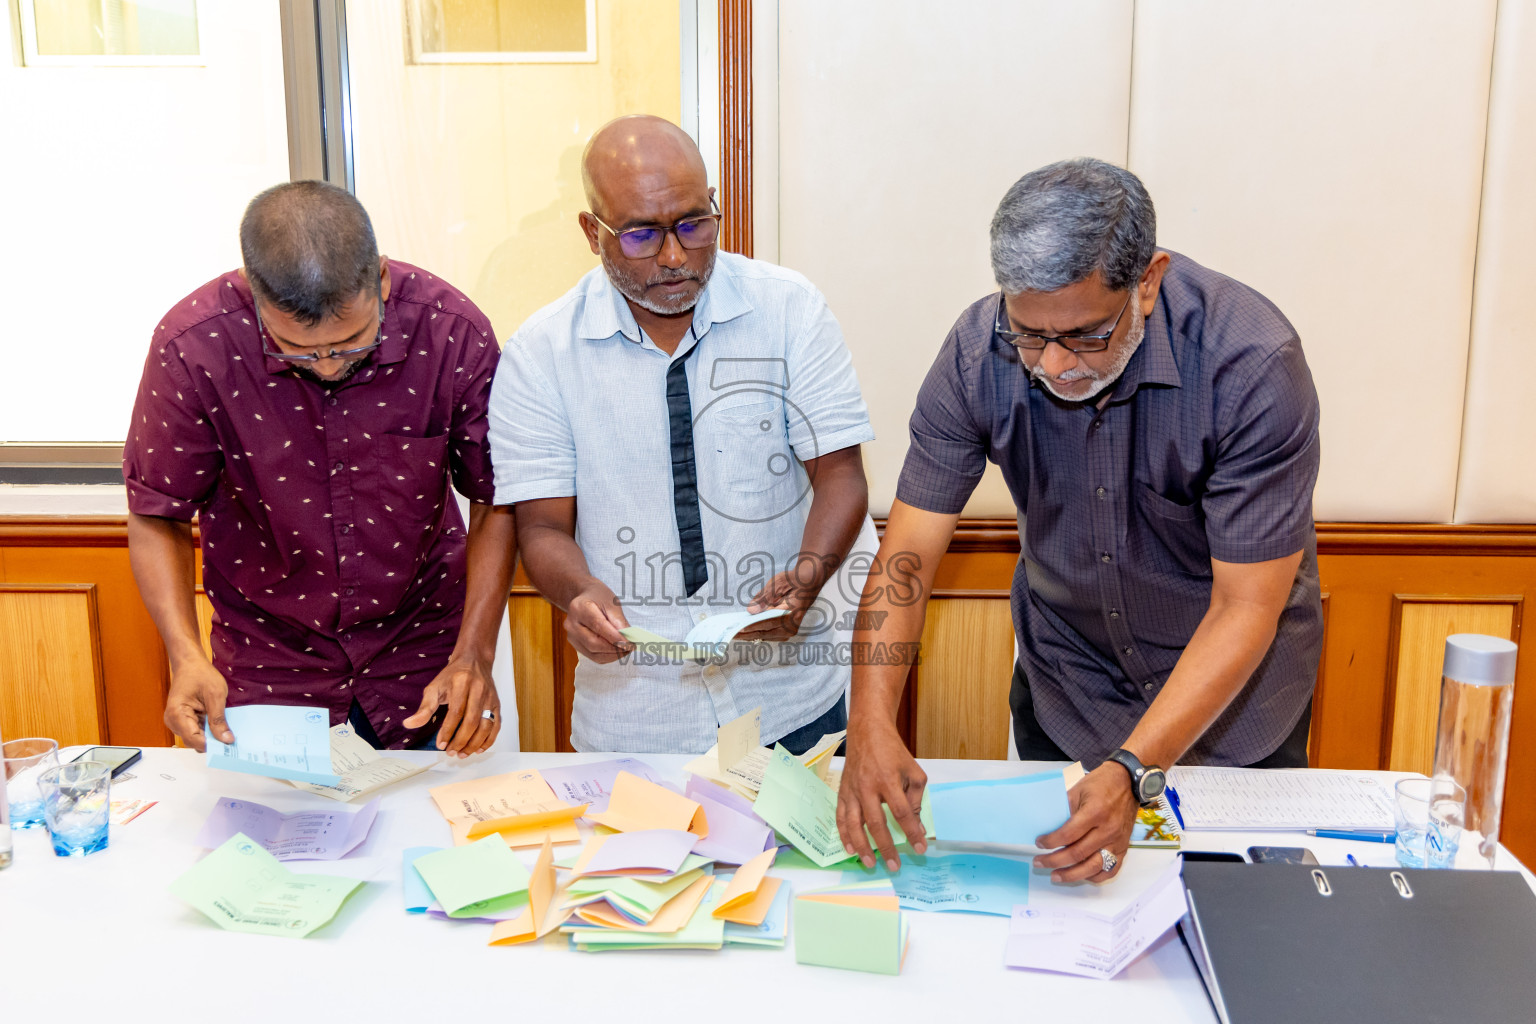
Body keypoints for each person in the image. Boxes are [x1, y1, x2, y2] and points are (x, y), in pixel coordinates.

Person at [836, 158, 1323, 881]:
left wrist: (1133, 767)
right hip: (1069, 690)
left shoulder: (1248, 362)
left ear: (1148, 282)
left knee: (1231, 935)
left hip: (1232, 712)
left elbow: (1245, 607)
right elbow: (905, 556)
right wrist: (870, 726)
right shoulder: (977, 353)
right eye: (1030, 334)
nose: (1055, 365)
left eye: (1088, 336)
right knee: (1063, 928)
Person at [489, 115, 875, 754]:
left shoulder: (788, 309)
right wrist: (578, 594)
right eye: (641, 234)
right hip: (636, 716)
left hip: (790, 699)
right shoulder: (541, 353)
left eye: (694, 223)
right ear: (593, 232)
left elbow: (839, 473)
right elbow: (543, 528)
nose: (674, 257)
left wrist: (807, 577)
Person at [125, 181, 516, 756]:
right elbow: (156, 512)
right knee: (269, 842)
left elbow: (494, 500)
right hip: (267, 664)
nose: (330, 365)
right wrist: (185, 657)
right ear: (255, 297)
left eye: (353, 343)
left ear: (379, 278)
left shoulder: (451, 331)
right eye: (300, 351)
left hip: (426, 658)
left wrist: (475, 655)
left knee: (436, 839)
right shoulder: (194, 346)